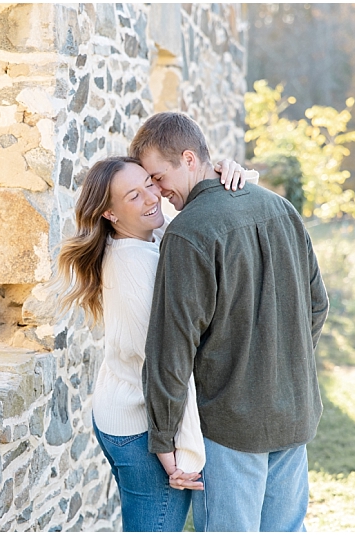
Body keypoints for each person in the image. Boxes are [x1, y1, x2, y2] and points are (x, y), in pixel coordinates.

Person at [130, 111, 329, 532]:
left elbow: (170, 348)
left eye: (158, 177)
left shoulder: (187, 233)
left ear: (188, 158)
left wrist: (163, 438)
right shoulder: (280, 206)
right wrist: (280, 368)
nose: (160, 193)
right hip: (294, 411)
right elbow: (317, 305)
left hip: (230, 425)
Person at [51, 155, 253, 532]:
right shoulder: (135, 266)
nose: (151, 198)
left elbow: (202, 219)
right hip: (141, 428)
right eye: (133, 195)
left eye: (149, 183)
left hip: (126, 411)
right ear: (110, 214)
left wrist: (232, 173)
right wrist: (177, 455)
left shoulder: (148, 238)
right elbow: (165, 363)